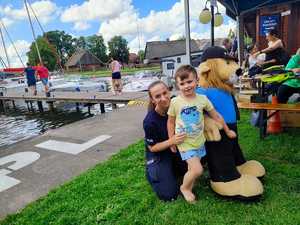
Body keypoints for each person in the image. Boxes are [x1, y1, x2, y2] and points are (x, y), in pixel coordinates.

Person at [167, 65, 236, 203]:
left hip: (199, 140)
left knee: (192, 168)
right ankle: (185, 188)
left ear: (197, 81)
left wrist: (227, 130)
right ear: (177, 85)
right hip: (184, 142)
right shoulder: (175, 102)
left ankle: (189, 183)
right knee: (198, 170)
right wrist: (171, 140)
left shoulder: (202, 99)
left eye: (189, 82)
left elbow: (216, 115)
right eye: (182, 83)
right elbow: (170, 122)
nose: (186, 86)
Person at [143, 80, 187, 201]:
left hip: (176, 149)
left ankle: (174, 170)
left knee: (198, 162)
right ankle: (152, 172)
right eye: (158, 96)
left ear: (169, 91)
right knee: (169, 194)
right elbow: (152, 147)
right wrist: (172, 141)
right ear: (152, 100)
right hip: (159, 154)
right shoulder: (149, 121)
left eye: (165, 93)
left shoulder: (177, 104)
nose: (163, 98)